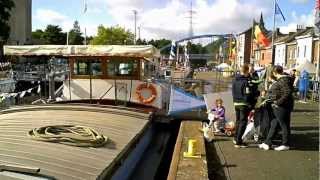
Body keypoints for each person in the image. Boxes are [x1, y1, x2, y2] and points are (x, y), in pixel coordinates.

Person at [259, 66, 294, 151]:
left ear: (275, 73)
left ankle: (285, 144)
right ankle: (267, 143)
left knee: (284, 125)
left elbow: (287, 92)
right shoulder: (285, 79)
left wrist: (278, 102)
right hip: (283, 106)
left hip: (282, 107)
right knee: (274, 124)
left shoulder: (283, 80)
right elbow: (285, 92)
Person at [232, 64, 253, 148]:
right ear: (247, 71)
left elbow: (233, 91)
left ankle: (235, 138)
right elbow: (247, 93)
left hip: (236, 102)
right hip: (243, 103)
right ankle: (238, 141)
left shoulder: (235, 80)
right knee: (243, 122)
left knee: (238, 121)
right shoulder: (246, 81)